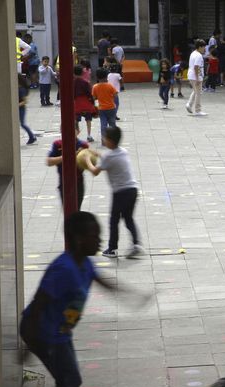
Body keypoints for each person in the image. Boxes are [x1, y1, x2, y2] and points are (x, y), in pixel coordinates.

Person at [19, 211, 136, 387]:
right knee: (69, 380)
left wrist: (134, 295)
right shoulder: (64, 269)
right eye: (95, 235)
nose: (100, 240)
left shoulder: (84, 264)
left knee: (69, 381)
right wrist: (30, 344)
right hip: (45, 333)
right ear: (79, 239)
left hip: (59, 332)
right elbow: (39, 303)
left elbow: (104, 282)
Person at [85, 126, 143, 258]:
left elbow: (95, 172)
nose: (103, 140)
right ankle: (136, 244)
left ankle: (112, 249)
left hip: (120, 192)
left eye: (105, 138)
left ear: (110, 141)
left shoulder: (108, 157)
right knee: (128, 218)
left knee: (114, 220)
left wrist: (87, 160)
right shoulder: (123, 151)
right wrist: (98, 154)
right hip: (132, 189)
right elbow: (108, 157)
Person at [47, 124, 89, 210]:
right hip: (63, 182)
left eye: (73, 130)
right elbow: (49, 161)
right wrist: (66, 156)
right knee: (67, 210)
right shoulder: (57, 144)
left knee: (77, 210)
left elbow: (87, 164)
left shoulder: (83, 145)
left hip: (78, 182)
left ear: (78, 131)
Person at [91, 68, 118, 140]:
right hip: (111, 108)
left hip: (101, 109)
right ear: (106, 77)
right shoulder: (110, 86)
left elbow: (94, 98)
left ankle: (104, 140)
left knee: (103, 124)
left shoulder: (95, 87)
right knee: (112, 124)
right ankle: (114, 139)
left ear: (97, 77)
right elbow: (115, 95)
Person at [73, 65, 96, 142]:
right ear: (82, 73)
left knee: (76, 120)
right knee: (88, 120)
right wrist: (92, 102)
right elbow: (89, 93)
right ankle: (89, 135)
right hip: (86, 103)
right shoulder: (85, 82)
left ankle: (75, 135)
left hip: (77, 103)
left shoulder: (72, 82)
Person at [186, 39, 207, 116]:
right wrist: (198, 78)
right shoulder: (198, 55)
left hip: (192, 75)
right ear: (200, 47)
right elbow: (196, 67)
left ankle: (189, 104)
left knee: (196, 91)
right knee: (198, 93)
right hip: (195, 76)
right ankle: (198, 110)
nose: (205, 49)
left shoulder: (193, 53)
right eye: (204, 47)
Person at [18, 74, 37, 145]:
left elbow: (25, 101)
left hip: (21, 109)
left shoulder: (21, 89)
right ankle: (32, 137)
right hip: (20, 109)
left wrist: (16, 106)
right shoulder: (19, 88)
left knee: (22, 124)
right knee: (22, 124)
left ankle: (32, 136)